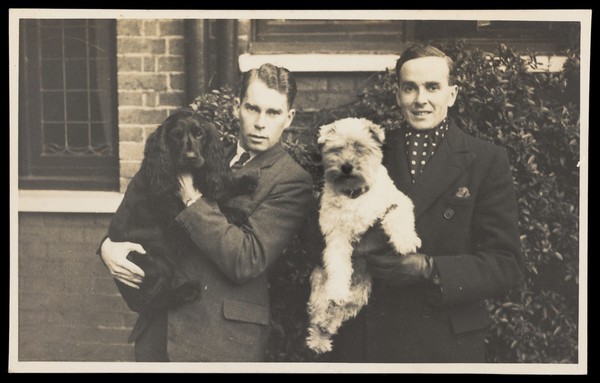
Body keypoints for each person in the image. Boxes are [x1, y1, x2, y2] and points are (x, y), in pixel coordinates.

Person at [98, 63, 314, 362]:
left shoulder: (291, 179)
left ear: (289, 117)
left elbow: (246, 259)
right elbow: (143, 208)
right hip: (159, 329)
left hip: (219, 340)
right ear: (237, 107)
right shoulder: (202, 147)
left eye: (273, 112)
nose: (260, 122)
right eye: (252, 108)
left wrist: (192, 198)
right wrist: (107, 247)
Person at [328, 44, 524, 363]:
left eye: (433, 87)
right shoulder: (369, 151)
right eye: (410, 88)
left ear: (452, 94)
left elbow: (506, 264)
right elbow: (329, 224)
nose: (421, 99)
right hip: (372, 336)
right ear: (398, 95)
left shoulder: (486, 160)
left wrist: (429, 268)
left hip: (446, 341)